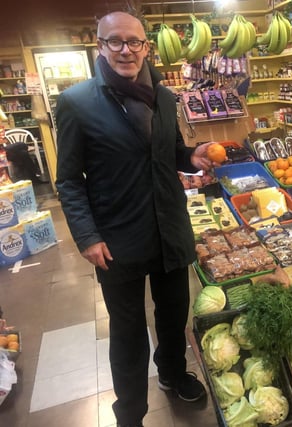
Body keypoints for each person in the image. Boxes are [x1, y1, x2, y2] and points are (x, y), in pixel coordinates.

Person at [55, 11, 216, 427]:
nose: (126, 50)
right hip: (116, 237)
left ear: (147, 47)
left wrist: (191, 158)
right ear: (100, 46)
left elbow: (168, 151)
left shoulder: (163, 96)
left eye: (134, 42)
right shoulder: (77, 102)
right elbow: (69, 180)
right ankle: (130, 412)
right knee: (127, 333)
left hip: (169, 227)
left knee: (173, 313)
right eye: (115, 41)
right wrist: (87, 236)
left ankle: (173, 373)